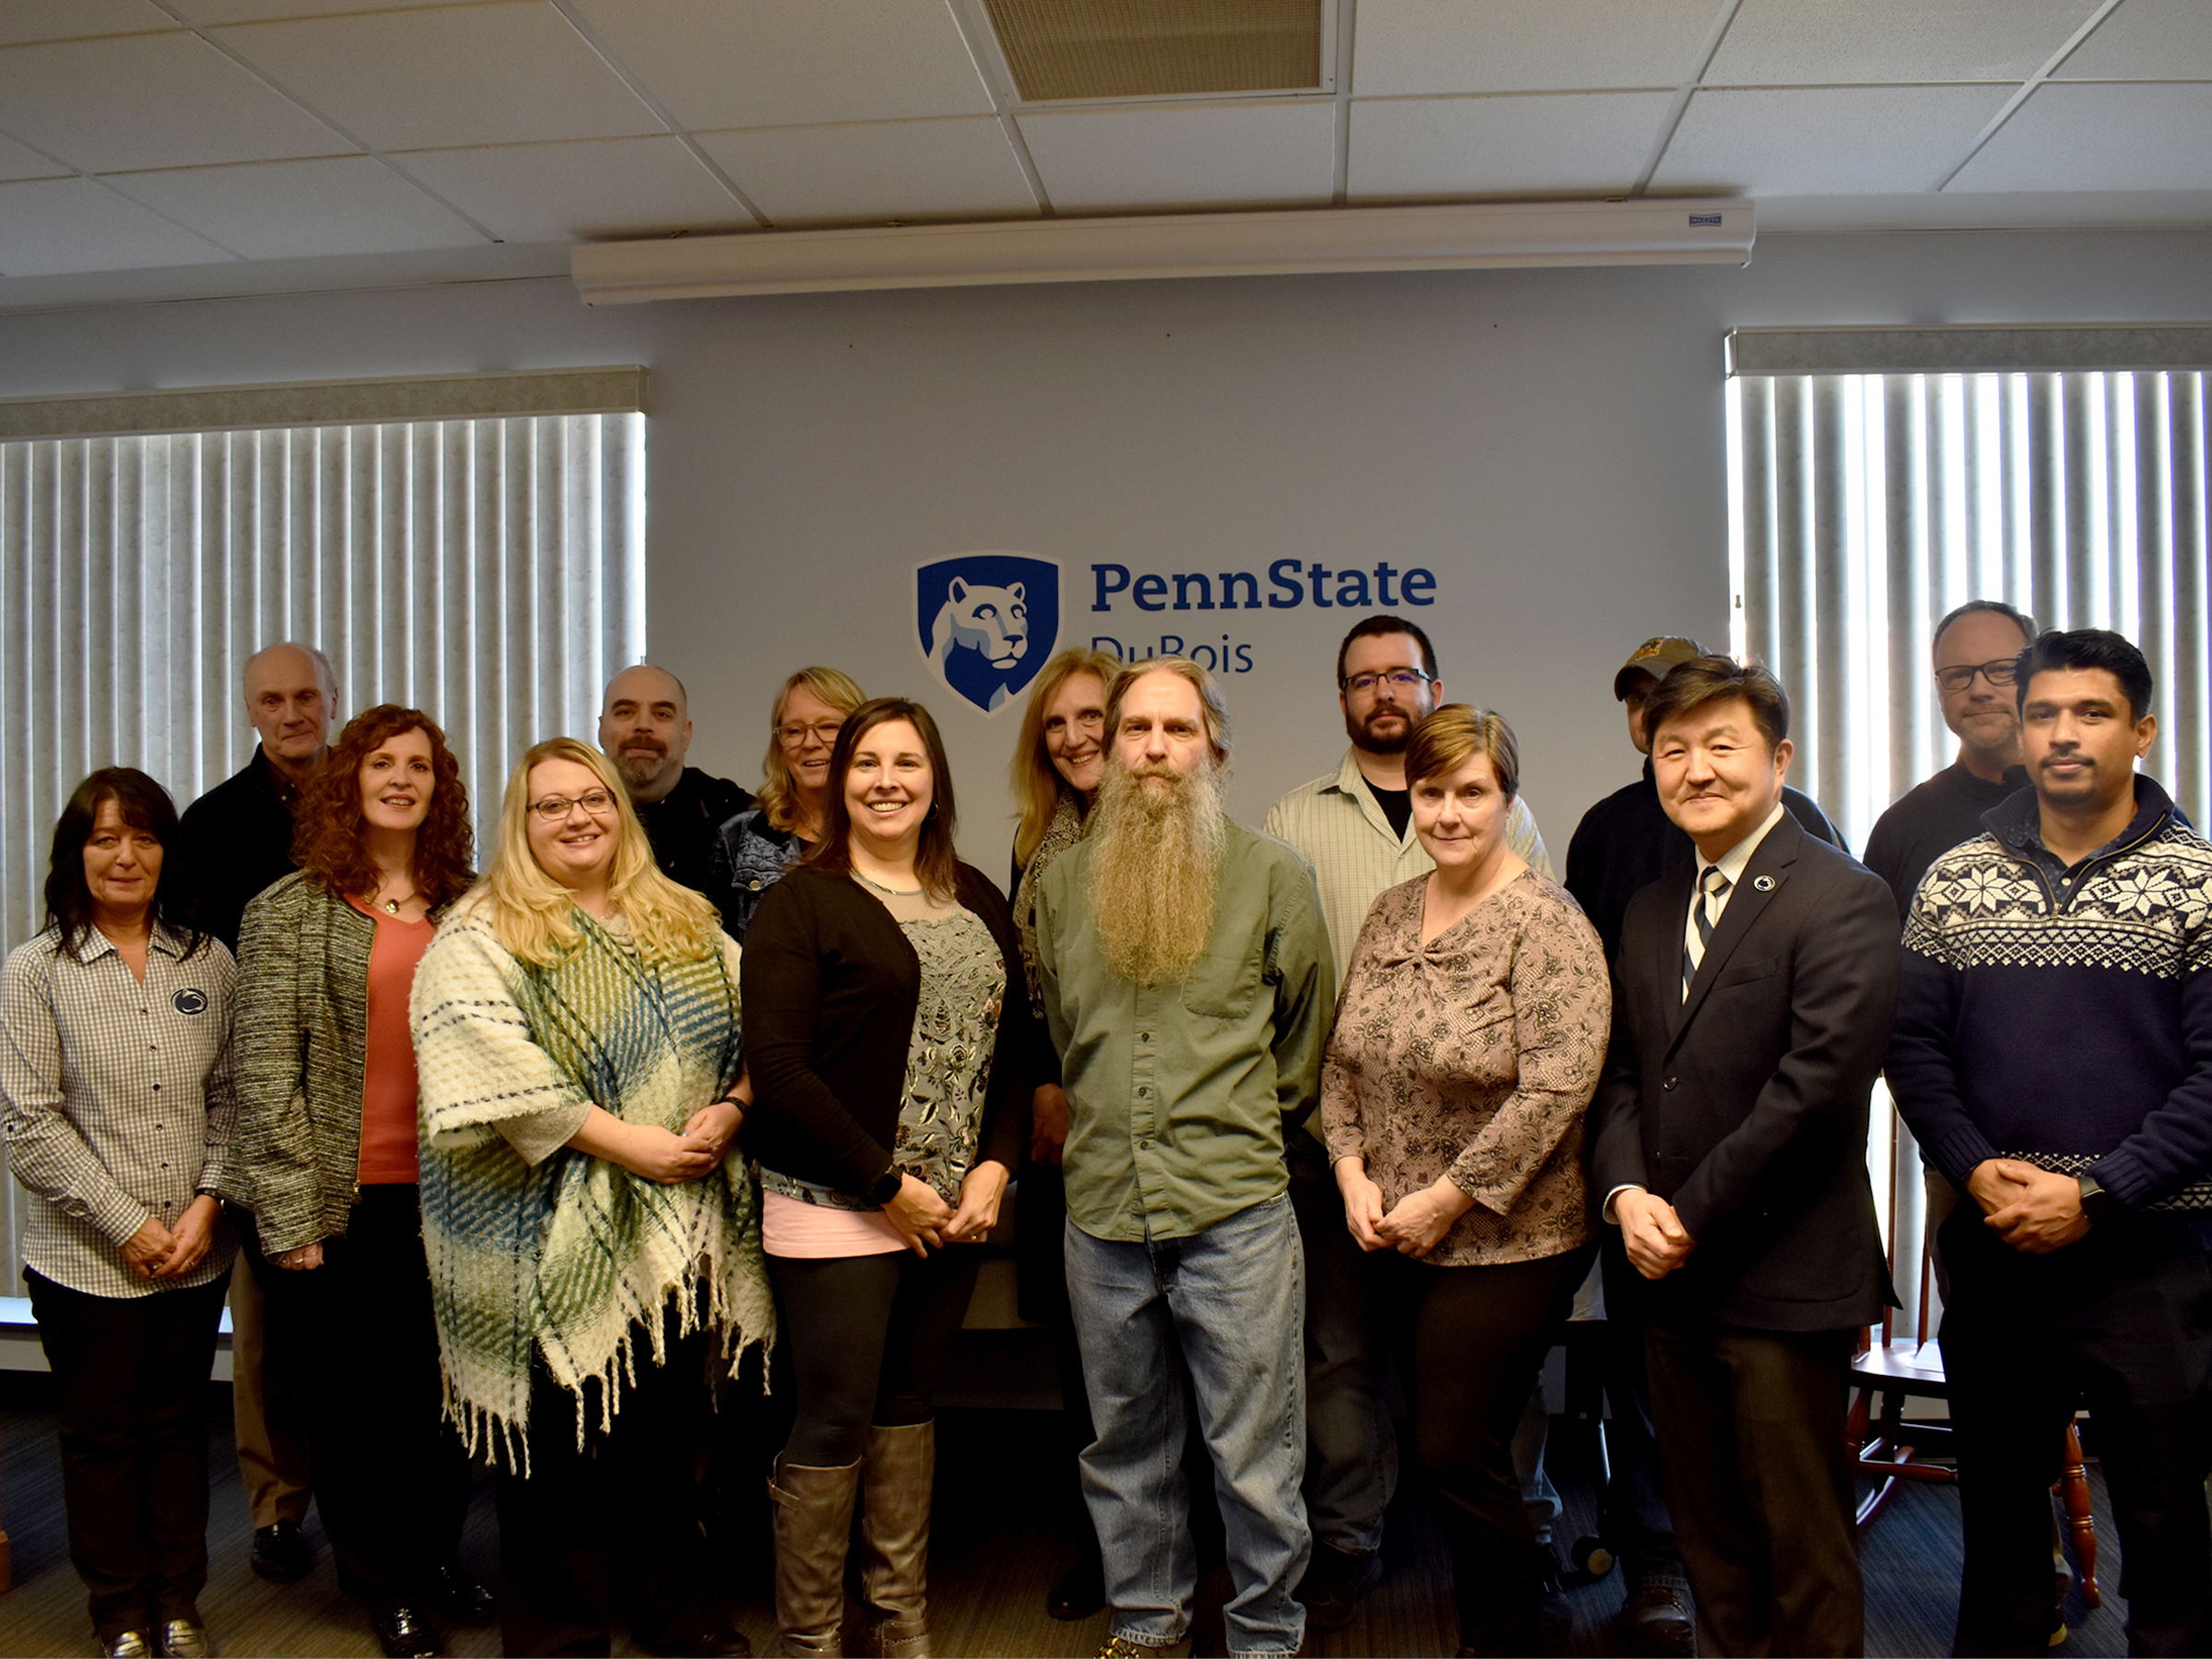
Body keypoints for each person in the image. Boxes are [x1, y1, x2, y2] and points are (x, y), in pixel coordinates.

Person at [1888, 628, 2212, 1657]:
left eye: (2092, 713)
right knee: (1997, 1515)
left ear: (2142, 729)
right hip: (1996, 1245)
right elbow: (1914, 1048)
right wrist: (1974, 1168)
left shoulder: (2200, 883)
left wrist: (2099, 1193)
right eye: (2044, 715)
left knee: (2165, 1514)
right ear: (2019, 732)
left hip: (2152, 1258)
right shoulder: (1953, 879)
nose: (2063, 735)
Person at [410, 736, 772, 1657]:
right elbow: (496, 1074)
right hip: (537, 1240)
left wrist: (731, 1110)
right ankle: (560, 1640)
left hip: (671, 1235)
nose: (577, 817)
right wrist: (632, 1146)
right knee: (554, 1465)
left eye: (593, 799)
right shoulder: (482, 930)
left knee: (662, 1445)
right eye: (551, 805)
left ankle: (671, 1613)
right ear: (520, 824)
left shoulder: (684, 919)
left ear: (620, 808)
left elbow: (763, 1033)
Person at [1590, 655, 1898, 1658]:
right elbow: (1627, 1073)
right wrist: (1627, 1194)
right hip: (1667, 1280)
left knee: (1799, 1539)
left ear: (1779, 758)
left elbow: (1815, 1094)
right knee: (1707, 1533)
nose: (1696, 770)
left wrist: (1687, 1215)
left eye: (1723, 746)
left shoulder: (1842, 897)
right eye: (1674, 750)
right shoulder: (1646, 910)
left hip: (1783, 1274)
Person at [1035, 658, 1334, 1659]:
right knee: (1123, 1448)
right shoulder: (1061, 884)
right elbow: (1062, 1024)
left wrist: (1237, 1125)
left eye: (1178, 729)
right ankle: (1148, 1628)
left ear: (1214, 749)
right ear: (1109, 749)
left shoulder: (1271, 874)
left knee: (1255, 1457)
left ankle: (1265, 1638)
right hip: (1103, 1214)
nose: (1156, 749)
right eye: (1137, 731)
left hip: (1235, 1210)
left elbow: (1304, 1043)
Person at [1262, 614, 1554, 1628]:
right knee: (1339, 1355)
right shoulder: (1295, 820)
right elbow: (1308, 1010)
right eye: (1363, 679)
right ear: (1340, 696)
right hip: (1345, 1154)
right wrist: (1343, 1159)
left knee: (1483, 1383)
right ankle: (1349, 1538)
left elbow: (1552, 1046)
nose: (1384, 692)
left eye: (1403, 674)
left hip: (1483, 1177)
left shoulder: (1519, 840)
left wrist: (1455, 1185)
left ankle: (1521, 1534)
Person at [742, 696, 1032, 1658]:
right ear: (837, 779)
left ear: (934, 780)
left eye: (906, 763)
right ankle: (813, 1641)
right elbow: (780, 1070)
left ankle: (901, 1625)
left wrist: (994, 1168)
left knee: (910, 1406)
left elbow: (1016, 1050)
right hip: (837, 1203)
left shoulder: (979, 895)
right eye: (867, 763)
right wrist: (882, 1184)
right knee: (834, 1414)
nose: (886, 782)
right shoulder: (801, 901)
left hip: (950, 1210)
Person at [1322, 704, 1609, 1656]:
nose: (1447, 812)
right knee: (1453, 1445)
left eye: (1471, 792)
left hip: (1508, 1236)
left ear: (1506, 798)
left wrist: (1448, 1197)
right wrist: (1350, 1170)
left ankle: (1520, 1629)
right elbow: (1343, 1061)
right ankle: (1522, 1609)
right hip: (1390, 1227)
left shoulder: (1548, 922)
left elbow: (1558, 1087)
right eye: (1432, 790)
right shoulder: (1391, 910)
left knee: (1451, 1446)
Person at [228, 706, 493, 1659]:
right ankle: (384, 1586)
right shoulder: (287, 910)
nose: (400, 778)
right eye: (381, 761)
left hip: (458, 1201)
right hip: (338, 1206)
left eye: (419, 765)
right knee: (353, 1412)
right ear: (349, 780)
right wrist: (292, 1214)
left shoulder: (475, 908)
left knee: (445, 1403)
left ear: (440, 787)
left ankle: (433, 1560)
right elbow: (263, 1079)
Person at [0, 769, 238, 1659]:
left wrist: (208, 1205)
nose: (125, 856)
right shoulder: (35, 970)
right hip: (84, 1258)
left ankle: (178, 1602)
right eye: (105, 839)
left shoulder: (209, 962)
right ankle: (119, 1613)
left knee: (177, 1433)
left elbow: (230, 1101)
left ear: (166, 851)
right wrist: (126, 1222)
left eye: (142, 837)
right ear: (77, 854)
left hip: (194, 1250)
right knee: (104, 1440)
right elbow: (28, 1122)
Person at [175, 639, 335, 1584]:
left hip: (364, 1107)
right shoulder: (212, 826)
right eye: (271, 700)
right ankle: (278, 1508)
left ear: (330, 699)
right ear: (251, 713)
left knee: (354, 1325)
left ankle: (364, 1497)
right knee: (266, 1328)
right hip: (261, 1105)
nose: (290, 713)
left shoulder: (375, 801)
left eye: (305, 695)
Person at [1006, 646, 1121, 1620]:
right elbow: (1032, 996)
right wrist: (1046, 1081)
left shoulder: (1176, 828)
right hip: (1067, 1132)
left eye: (1093, 717)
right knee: (1090, 1365)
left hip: (1158, 1130)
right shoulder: (1033, 842)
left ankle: (1190, 1543)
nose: (1078, 738)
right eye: (1058, 724)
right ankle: (1106, 1553)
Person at [1565, 634, 1842, 964]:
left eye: (1670, 690)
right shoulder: (1604, 826)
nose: (1655, 708)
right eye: (1639, 699)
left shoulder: (1794, 816)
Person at [1863, 599, 2036, 920]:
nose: (1980, 690)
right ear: (1939, 689)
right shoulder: (1901, 831)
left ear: (2037, 678)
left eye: (2001, 670)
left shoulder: (2087, 809)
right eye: (1958, 675)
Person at [708, 666, 865, 940]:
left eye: (828, 727)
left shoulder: (887, 832)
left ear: (860, 735)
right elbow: (712, 953)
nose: (810, 742)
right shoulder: (739, 837)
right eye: (794, 731)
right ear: (779, 744)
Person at [598, 662, 754, 898]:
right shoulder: (568, 819)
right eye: (625, 712)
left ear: (686, 734)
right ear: (601, 730)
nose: (643, 726)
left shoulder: (735, 818)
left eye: (662, 714)